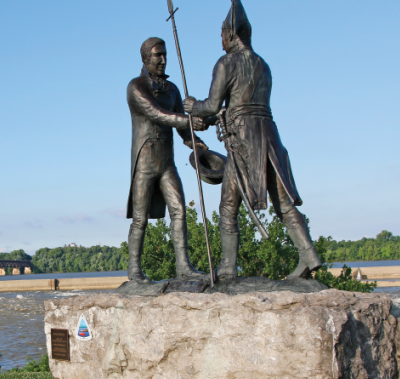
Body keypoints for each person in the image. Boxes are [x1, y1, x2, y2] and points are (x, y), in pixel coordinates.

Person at [183, 0, 321, 280]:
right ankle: (309, 256)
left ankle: (229, 267)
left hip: (244, 144)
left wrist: (192, 106)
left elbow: (211, 105)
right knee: (283, 203)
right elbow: (242, 104)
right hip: (270, 138)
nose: (220, 40)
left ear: (231, 34)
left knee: (228, 205)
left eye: (222, 34)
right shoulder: (264, 65)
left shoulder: (226, 63)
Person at [126, 37, 208, 281]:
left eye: (165, 55)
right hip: (145, 162)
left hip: (167, 162)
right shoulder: (135, 87)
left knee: (179, 210)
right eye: (157, 55)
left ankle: (183, 265)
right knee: (140, 219)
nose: (163, 60)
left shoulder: (172, 89)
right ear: (145, 58)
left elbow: (181, 126)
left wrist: (196, 141)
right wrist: (188, 121)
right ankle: (134, 270)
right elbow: (158, 114)